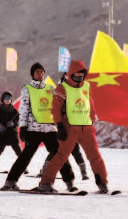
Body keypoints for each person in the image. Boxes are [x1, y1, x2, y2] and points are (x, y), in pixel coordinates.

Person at [0, 62, 76, 191]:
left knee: (59, 155)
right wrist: (22, 127)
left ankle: (70, 183)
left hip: (50, 128)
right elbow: (24, 109)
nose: (40, 74)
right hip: (33, 129)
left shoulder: (51, 88)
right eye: (37, 72)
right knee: (26, 156)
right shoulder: (27, 89)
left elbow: (61, 99)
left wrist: (64, 85)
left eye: (42, 72)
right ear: (32, 74)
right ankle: (10, 181)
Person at [38, 60, 110, 194]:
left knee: (95, 157)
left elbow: (90, 105)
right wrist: (59, 126)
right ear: (70, 75)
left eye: (82, 76)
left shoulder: (87, 86)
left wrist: (92, 120)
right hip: (70, 128)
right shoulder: (62, 88)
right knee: (61, 156)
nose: (79, 79)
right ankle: (45, 183)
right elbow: (55, 109)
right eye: (76, 76)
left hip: (87, 128)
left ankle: (102, 183)